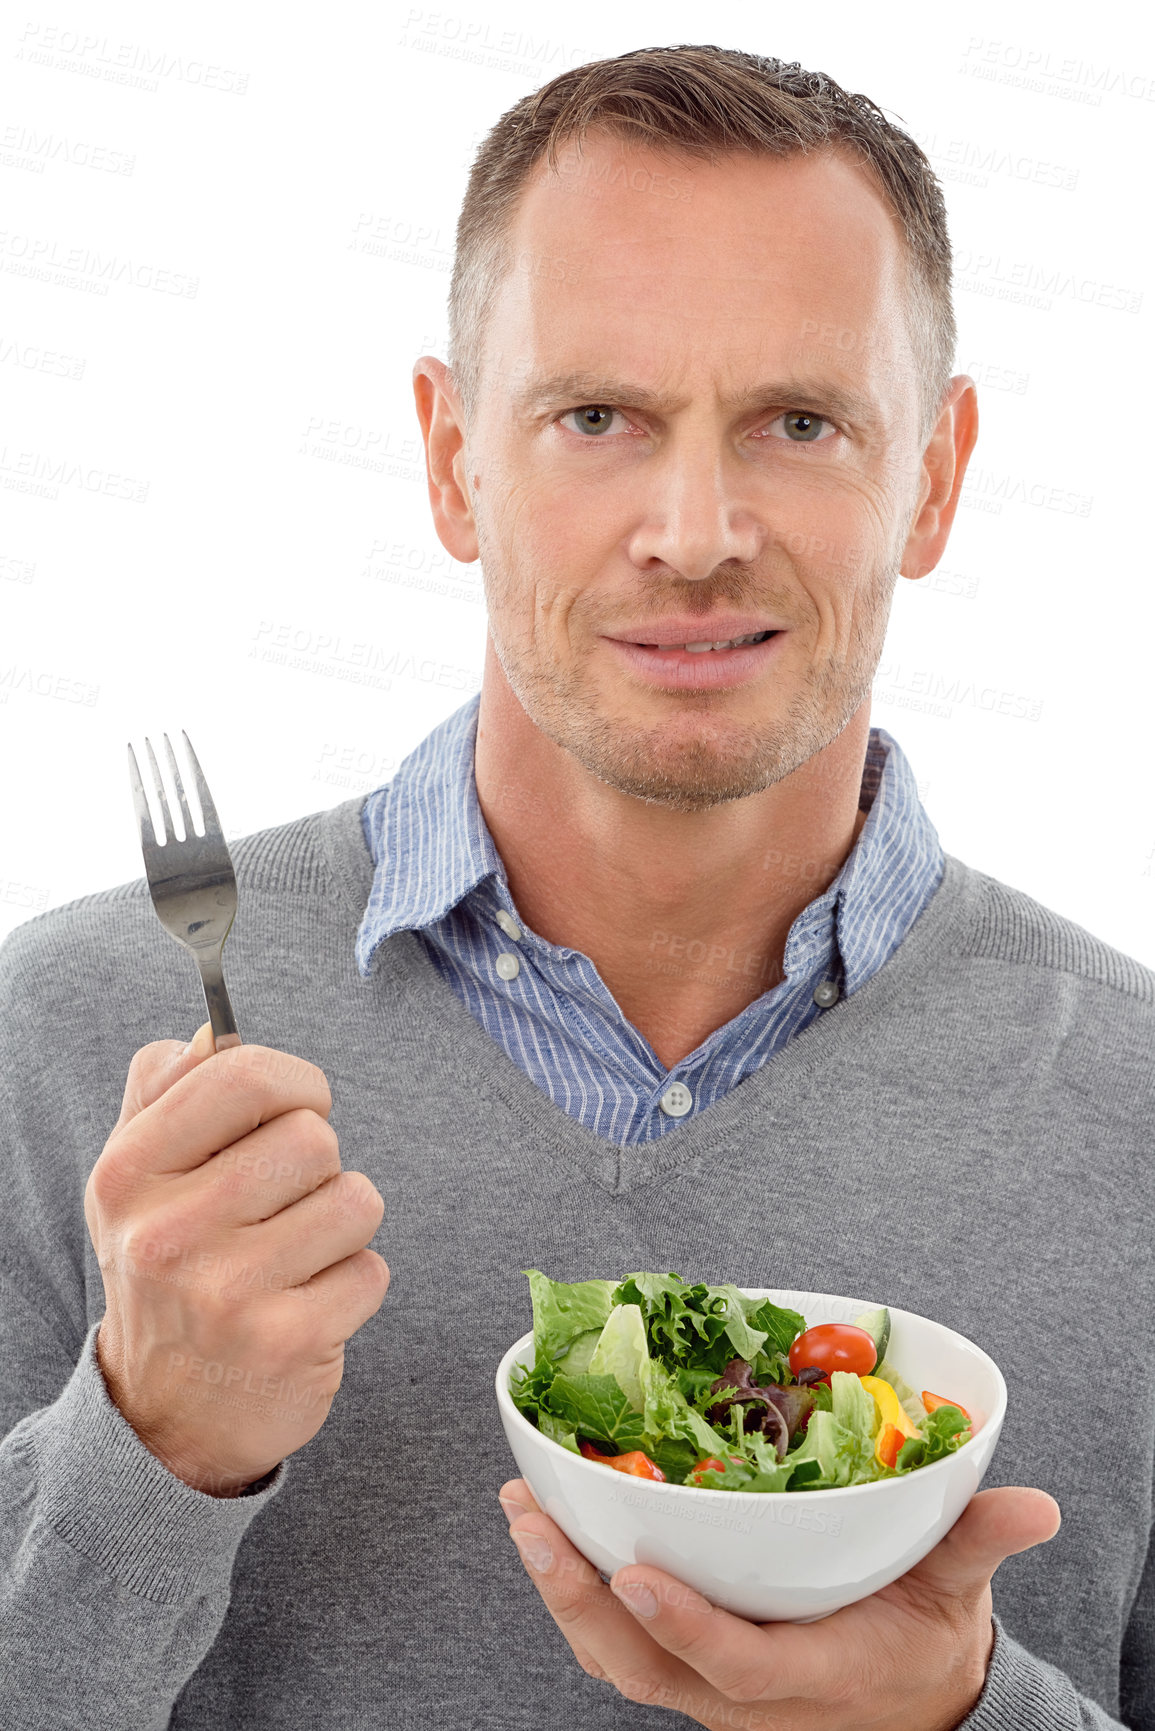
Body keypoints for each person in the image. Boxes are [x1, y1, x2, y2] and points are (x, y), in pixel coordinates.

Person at [0, 43, 1150, 1731]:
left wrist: (969, 1712)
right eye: (598, 417)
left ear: (941, 476)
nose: (693, 530)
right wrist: (146, 1441)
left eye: (802, 421)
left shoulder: (1137, 1112)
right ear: (456, 459)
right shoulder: (66, 1040)